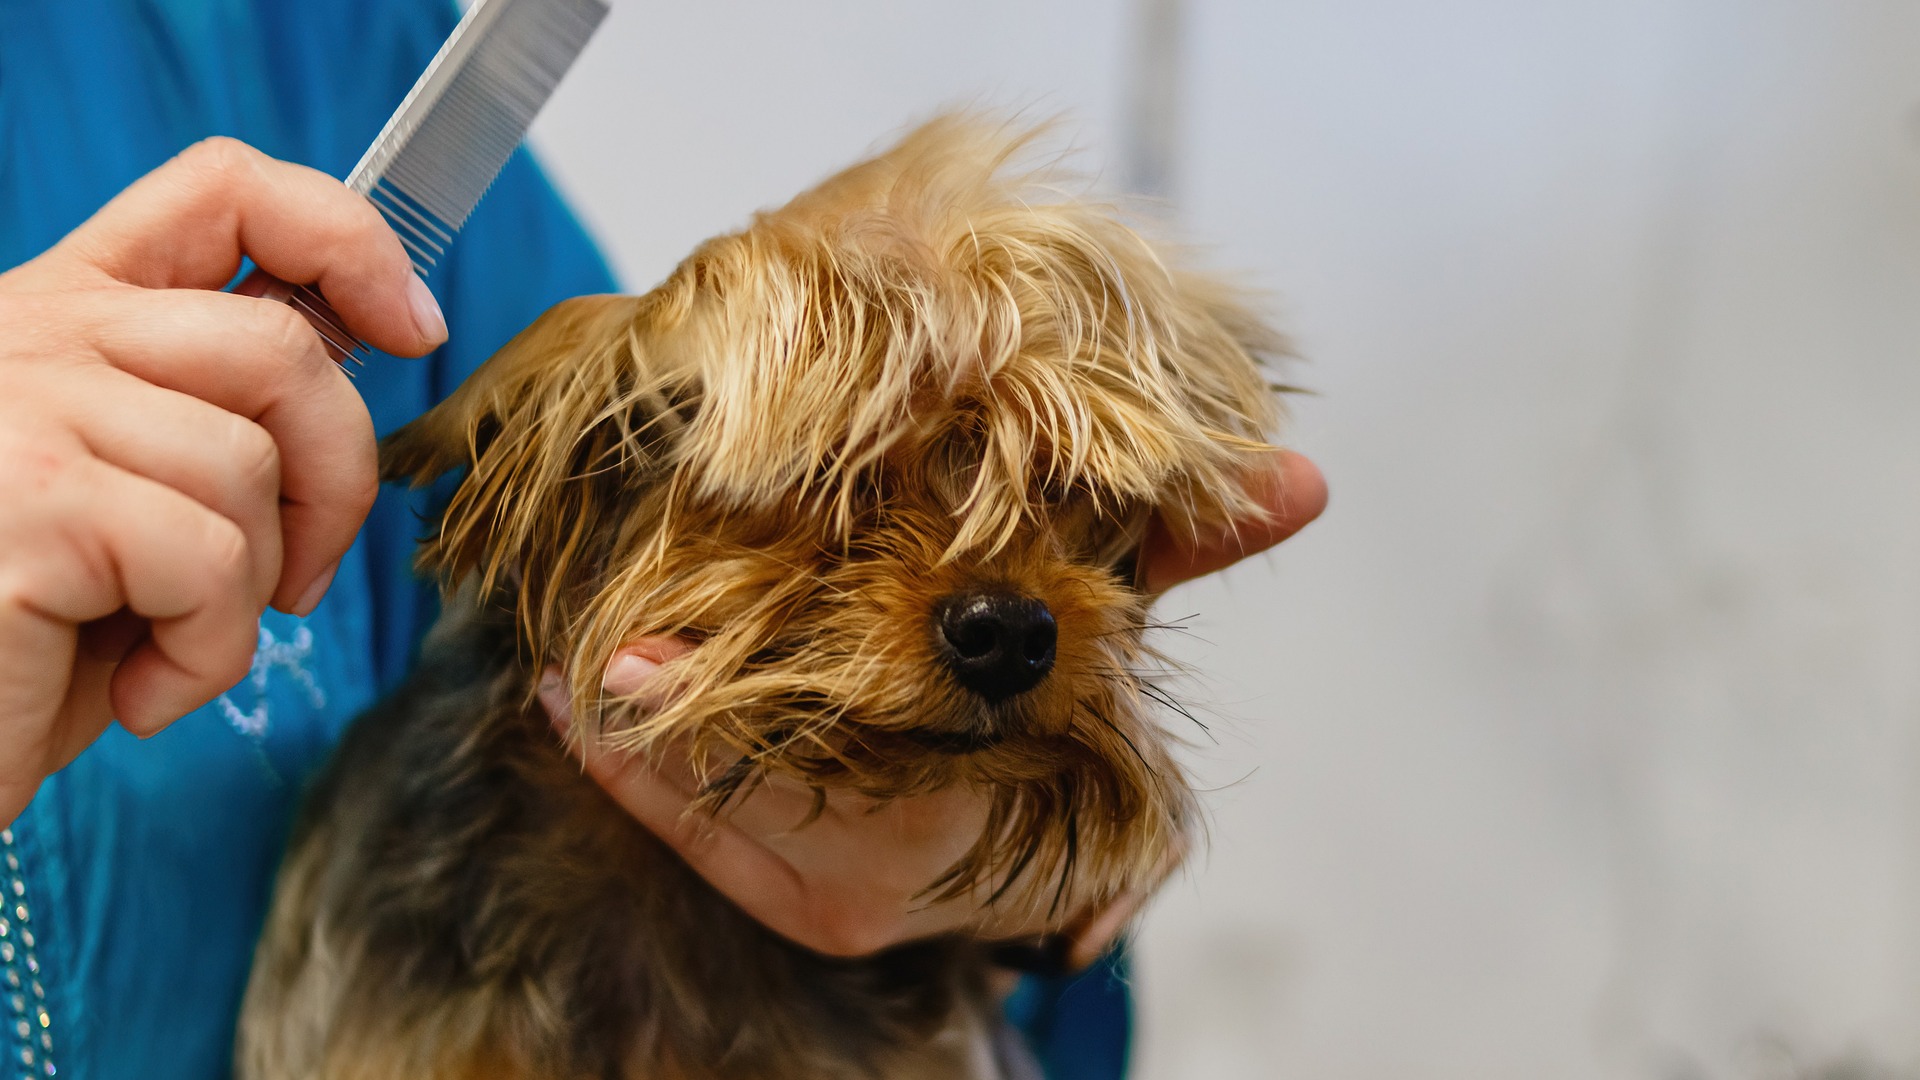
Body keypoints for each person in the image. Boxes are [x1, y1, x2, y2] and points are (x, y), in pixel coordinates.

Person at [0, 2, 1327, 1077]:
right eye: (840, 494)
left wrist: (1024, 912)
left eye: (1067, 507)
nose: (1003, 602)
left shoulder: (313, 51)